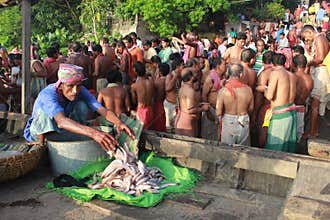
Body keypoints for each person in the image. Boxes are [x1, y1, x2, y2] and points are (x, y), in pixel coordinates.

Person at [24, 64, 134, 151]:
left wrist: (119, 123)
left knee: (82, 105)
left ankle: (76, 138)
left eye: (78, 85)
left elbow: (101, 109)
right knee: (45, 113)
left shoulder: (81, 90)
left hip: (62, 130)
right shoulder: (48, 94)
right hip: (39, 132)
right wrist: (94, 133)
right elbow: (61, 121)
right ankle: (42, 146)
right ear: (61, 85)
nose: (75, 90)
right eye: (70, 86)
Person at [264, 53, 297, 152]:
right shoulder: (292, 75)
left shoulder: (275, 73)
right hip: (291, 113)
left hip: (280, 115)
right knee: (286, 147)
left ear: (272, 64)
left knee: (275, 149)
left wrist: (264, 89)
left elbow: (269, 96)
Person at [301, 25, 330, 138]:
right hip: (319, 72)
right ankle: (314, 130)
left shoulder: (319, 39)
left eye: (306, 37)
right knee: (315, 104)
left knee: (315, 105)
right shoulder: (319, 39)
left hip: (321, 72)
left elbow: (320, 58)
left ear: (309, 32)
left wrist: (308, 63)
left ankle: (313, 131)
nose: (306, 40)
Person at [216, 63, 253, 145]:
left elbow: (218, 112)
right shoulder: (248, 90)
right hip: (243, 120)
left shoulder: (223, 91)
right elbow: (251, 109)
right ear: (241, 74)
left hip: (229, 121)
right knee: (243, 151)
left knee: (227, 151)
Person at [175, 68, 209, 137]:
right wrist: (203, 108)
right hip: (187, 122)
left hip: (182, 119)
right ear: (191, 78)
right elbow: (190, 110)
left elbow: (186, 105)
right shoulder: (190, 90)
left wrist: (198, 105)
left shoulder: (182, 88)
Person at [201, 57, 226, 140]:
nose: (226, 66)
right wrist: (208, 111)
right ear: (218, 66)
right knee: (209, 135)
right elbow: (204, 95)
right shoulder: (210, 78)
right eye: (224, 64)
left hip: (221, 111)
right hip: (211, 110)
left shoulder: (224, 77)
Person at [253, 51, 274, 147]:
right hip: (279, 108)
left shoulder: (264, 74)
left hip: (266, 109)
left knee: (263, 133)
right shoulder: (283, 72)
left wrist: (255, 114)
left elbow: (259, 97)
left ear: (263, 62)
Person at [292, 55, 313, 143]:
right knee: (298, 133)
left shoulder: (292, 77)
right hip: (302, 107)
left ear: (294, 65)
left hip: (291, 107)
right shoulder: (310, 79)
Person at [130, 62, 154, 130]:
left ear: (135, 71)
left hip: (141, 110)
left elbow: (134, 101)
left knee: (141, 131)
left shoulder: (134, 86)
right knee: (150, 130)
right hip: (150, 109)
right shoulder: (151, 82)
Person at [164, 58, 183, 132]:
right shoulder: (170, 75)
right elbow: (167, 88)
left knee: (176, 128)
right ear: (177, 67)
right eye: (182, 65)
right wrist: (175, 77)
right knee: (169, 128)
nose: (183, 67)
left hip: (177, 105)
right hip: (170, 106)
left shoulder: (180, 76)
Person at [153, 63, 169, 132]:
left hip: (158, 103)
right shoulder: (168, 79)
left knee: (158, 125)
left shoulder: (158, 81)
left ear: (160, 72)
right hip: (165, 102)